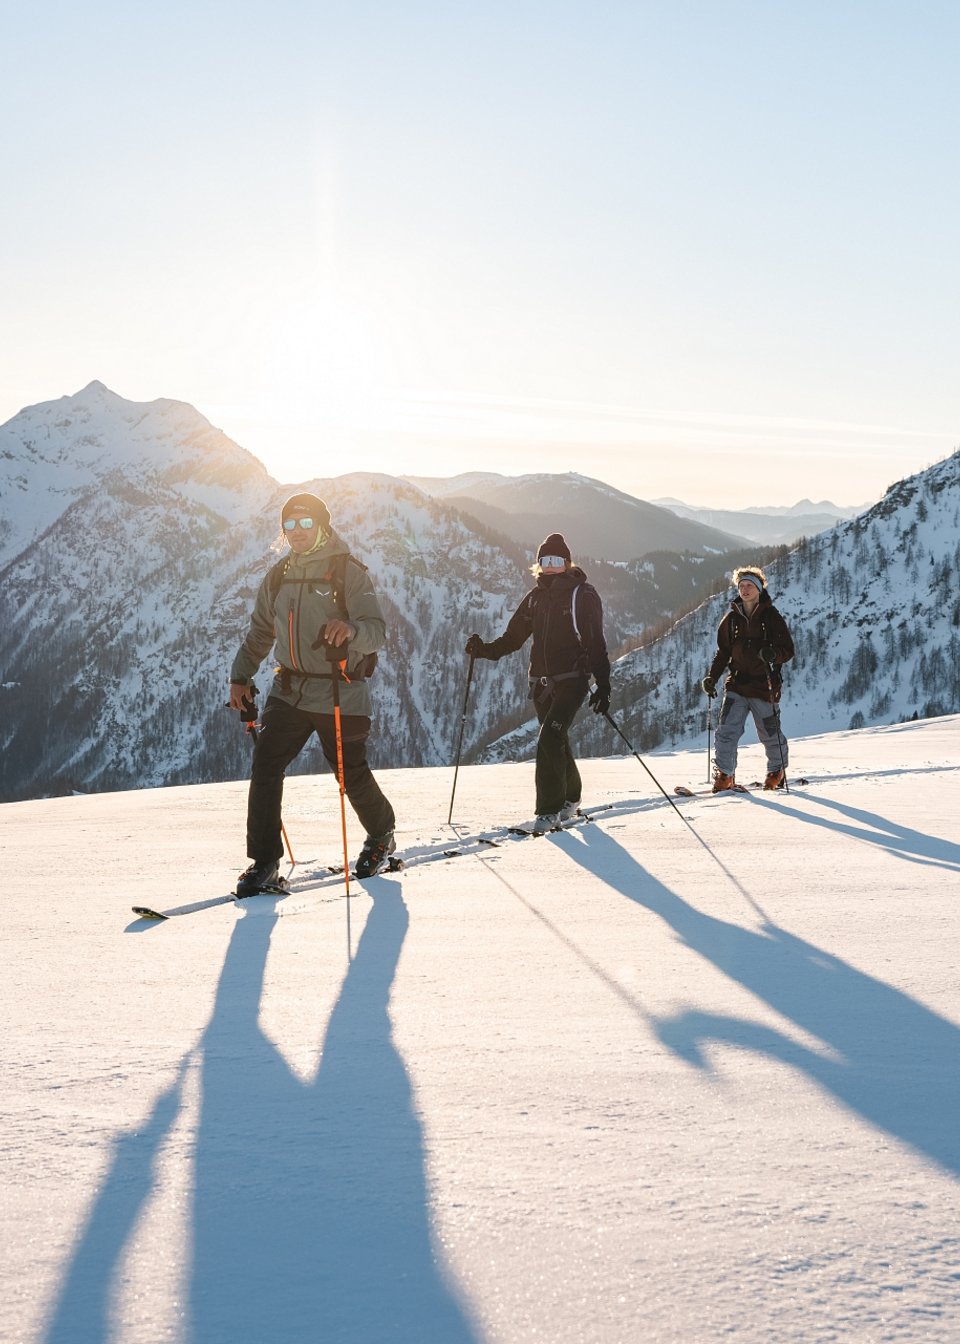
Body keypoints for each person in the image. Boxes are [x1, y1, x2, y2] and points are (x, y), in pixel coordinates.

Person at [229, 492, 396, 890]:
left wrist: (351, 630)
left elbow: (377, 632)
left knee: (349, 772)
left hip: (341, 690)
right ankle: (264, 861)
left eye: (306, 523)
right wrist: (240, 676)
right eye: (289, 524)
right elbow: (260, 632)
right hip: (289, 688)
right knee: (266, 765)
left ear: (322, 526)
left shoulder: (347, 571)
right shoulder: (279, 575)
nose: (297, 531)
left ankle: (382, 834)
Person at [465, 532, 611, 832]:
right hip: (541, 684)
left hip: (572, 680)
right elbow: (513, 639)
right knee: (556, 737)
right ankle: (571, 797)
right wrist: (483, 650)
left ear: (567, 563)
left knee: (549, 737)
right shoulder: (534, 599)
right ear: (538, 564)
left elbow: (596, 643)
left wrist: (603, 685)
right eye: (545, 560)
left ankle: (549, 810)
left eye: (556, 560)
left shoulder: (583, 595)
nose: (550, 566)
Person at [701, 565, 795, 791]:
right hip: (737, 684)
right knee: (726, 731)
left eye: (749, 586)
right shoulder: (731, 619)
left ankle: (776, 771)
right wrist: (712, 677)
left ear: (759, 589)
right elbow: (723, 652)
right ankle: (725, 774)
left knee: (769, 733)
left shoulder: (771, 617)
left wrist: (773, 654)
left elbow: (787, 650)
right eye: (741, 586)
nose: (744, 590)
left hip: (764, 685)